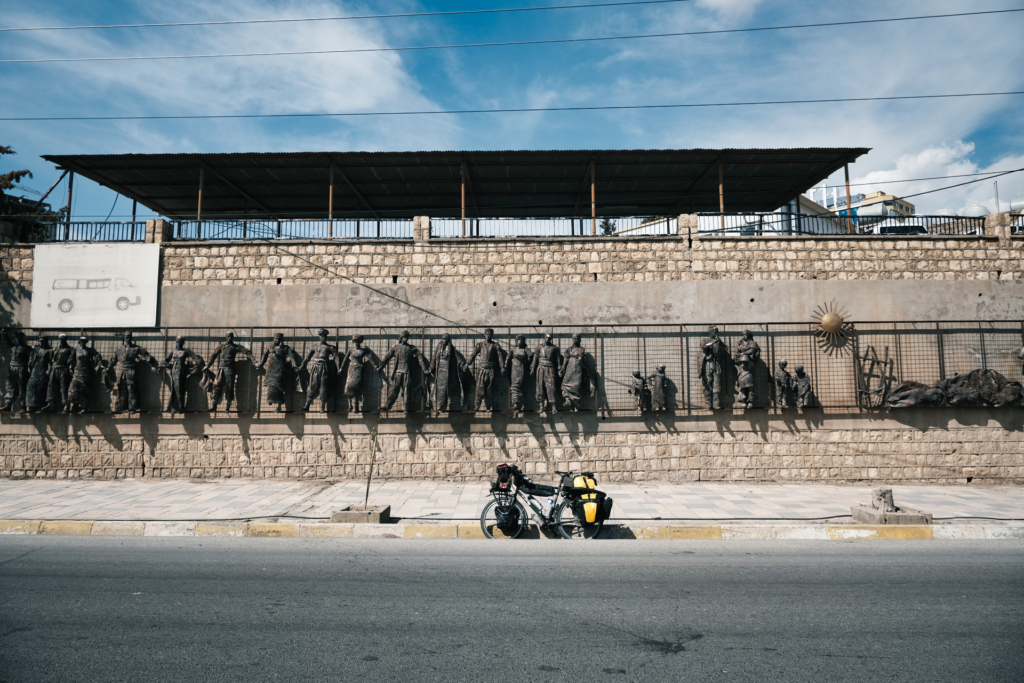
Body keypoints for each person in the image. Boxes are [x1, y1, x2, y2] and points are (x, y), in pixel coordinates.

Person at [377, 330, 430, 413]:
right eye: (404, 337)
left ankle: (406, 408)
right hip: (398, 373)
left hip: (407, 373)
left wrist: (424, 369)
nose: (406, 339)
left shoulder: (411, 348)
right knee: (393, 390)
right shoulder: (396, 347)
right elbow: (387, 357)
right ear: (401, 338)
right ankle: (387, 406)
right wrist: (381, 367)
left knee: (406, 392)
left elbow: (420, 358)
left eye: (407, 337)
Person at [207, 331, 255, 412]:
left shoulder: (235, 347)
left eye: (230, 336)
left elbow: (247, 352)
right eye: (228, 336)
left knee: (230, 387)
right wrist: (207, 365)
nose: (229, 337)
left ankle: (227, 407)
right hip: (221, 369)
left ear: (233, 337)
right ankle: (214, 406)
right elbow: (213, 355)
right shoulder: (221, 346)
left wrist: (254, 362)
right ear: (226, 337)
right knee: (216, 386)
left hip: (230, 369)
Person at [112, 331, 158, 414]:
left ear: (131, 338)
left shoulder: (136, 348)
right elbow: (113, 361)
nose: (127, 338)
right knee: (121, 390)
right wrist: (108, 367)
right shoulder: (119, 349)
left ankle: (132, 408)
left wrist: (150, 362)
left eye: (129, 336)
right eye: (126, 336)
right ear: (124, 338)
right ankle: (120, 407)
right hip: (121, 372)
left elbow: (146, 355)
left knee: (131, 390)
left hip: (131, 371)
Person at [463, 328, 508, 412]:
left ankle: (488, 407)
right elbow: (473, 355)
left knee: (489, 389)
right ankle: (477, 406)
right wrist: (467, 364)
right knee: (479, 389)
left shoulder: (496, 345)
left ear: (492, 335)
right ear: (484, 335)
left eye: (490, 334)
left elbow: (500, 357)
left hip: (491, 370)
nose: (488, 336)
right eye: (487, 334)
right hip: (481, 370)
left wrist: (502, 367)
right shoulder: (479, 345)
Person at [258, 333, 302, 412]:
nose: (277, 340)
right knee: (270, 387)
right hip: (271, 371)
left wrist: (294, 364)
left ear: (282, 340)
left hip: (280, 371)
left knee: (280, 388)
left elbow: (292, 357)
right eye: (276, 338)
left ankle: (279, 406)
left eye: (279, 339)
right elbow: (264, 357)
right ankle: (270, 399)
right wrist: (260, 364)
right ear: (274, 338)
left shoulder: (285, 348)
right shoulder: (270, 347)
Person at [161, 336, 205, 414]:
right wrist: (170, 366)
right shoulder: (173, 352)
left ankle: (181, 407)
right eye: (177, 341)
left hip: (182, 372)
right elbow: (165, 361)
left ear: (183, 342)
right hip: (174, 372)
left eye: (180, 341)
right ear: (176, 342)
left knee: (180, 389)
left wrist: (195, 365)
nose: (179, 343)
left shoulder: (186, 351)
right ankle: (174, 407)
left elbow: (196, 359)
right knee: (175, 389)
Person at [301, 329, 341, 412]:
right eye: (322, 336)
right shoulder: (314, 346)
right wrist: (301, 366)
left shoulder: (330, 347)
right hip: (315, 368)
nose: (323, 338)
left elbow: (336, 357)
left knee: (324, 387)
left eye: (325, 336)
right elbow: (307, 358)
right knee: (312, 386)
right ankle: (307, 406)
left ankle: (322, 407)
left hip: (324, 368)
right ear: (319, 337)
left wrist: (338, 368)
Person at [67, 337, 103, 414]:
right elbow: (71, 360)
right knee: (72, 389)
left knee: (84, 390)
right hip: (76, 372)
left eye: (84, 341)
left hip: (86, 372)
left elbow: (98, 356)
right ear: (79, 342)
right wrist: (70, 368)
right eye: (81, 341)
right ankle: (75, 405)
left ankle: (84, 407)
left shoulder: (89, 350)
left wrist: (97, 363)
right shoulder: (75, 350)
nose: (83, 342)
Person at [340, 335, 374, 413]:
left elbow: (370, 358)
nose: (356, 343)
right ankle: (350, 406)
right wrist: (341, 368)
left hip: (359, 369)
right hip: (351, 369)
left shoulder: (363, 350)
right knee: (348, 386)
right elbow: (345, 359)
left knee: (357, 387)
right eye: (355, 341)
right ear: (353, 342)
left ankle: (356, 406)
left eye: (358, 341)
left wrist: (375, 366)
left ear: (360, 342)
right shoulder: (350, 350)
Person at [429, 333, 462, 412]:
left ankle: (443, 406)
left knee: (445, 390)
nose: (443, 340)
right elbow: (434, 358)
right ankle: (439, 406)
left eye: (445, 339)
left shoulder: (451, 348)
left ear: (448, 340)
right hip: (439, 370)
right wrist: (431, 368)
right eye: (442, 338)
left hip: (447, 372)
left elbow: (458, 358)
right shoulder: (438, 347)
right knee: (439, 390)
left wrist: (462, 365)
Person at [559, 333, 591, 411]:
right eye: (573, 338)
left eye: (576, 338)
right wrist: (562, 369)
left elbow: (581, 358)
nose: (574, 340)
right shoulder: (569, 349)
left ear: (579, 340)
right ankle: (567, 400)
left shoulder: (581, 349)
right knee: (565, 384)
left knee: (576, 387)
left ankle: (576, 404)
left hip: (577, 369)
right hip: (569, 369)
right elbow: (565, 360)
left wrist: (580, 360)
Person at [0, 330, 30, 413]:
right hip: (12, 368)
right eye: (15, 338)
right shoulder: (13, 347)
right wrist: (3, 333)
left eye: (18, 337)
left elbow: (31, 360)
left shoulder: (26, 348)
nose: (16, 339)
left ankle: (23, 406)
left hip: (21, 368)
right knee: (10, 386)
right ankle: (8, 405)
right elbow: (7, 341)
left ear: (21, 338)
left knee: (22, 388)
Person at [531, 334, 561, 413]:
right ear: (544, 338)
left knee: (551, 386)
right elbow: (535, 358)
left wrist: (559, 369)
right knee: (540, 387)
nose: (548, 339)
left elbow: (558, 360)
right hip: (540, 368)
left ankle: (553, 406)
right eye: (546, 337)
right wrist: (532, 368)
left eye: (549, 338)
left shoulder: (554, 348)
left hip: (550, 368)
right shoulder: (539, 347)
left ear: (551, 339)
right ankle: (541, 405)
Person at [45, 334, 74, 412]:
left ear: (66, 339)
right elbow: (51, 361)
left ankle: (65, 405)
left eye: (63, 339)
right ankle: (50, 404)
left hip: (63, 369)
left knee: (64, 388)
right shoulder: (55, 349)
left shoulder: (70, 349)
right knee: (51, 387)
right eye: (60, 339)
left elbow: (71, 361)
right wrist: (49, 370)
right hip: (54, 370)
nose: (61, 340)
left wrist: (70, 369)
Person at [698, 326, 725, 410]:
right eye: (714, 331)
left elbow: (724, 349)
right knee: (707, 383)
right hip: (707, 363)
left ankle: (716, 404)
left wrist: (720, 343)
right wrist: (713, 342)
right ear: (710, 332)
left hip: (716, 363)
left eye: (717, 331)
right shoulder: (705, 340)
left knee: (716, 384)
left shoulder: (718, 341)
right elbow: (704, 346)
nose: (716, 333)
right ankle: (708, 404)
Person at [505, 335, 533, 414]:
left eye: (522, 340)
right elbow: (507, 359)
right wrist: (505, 367)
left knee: (521, 386)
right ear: (516, 341)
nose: (520, 341)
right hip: (514, 370)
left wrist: (526, 348)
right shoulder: (513, 349)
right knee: (514, 386)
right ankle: (515, 403)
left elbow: (530, 357)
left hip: (522, 369)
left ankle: (520, 404)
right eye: (519, 340)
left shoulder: (525, 349)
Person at [25, 335, 52, 413]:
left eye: (43, 341)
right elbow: (31, 359)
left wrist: (48, 370)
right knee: (31, 386)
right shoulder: (36, 350)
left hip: (43, 370)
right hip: (35, 370)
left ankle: (40, 406)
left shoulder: (49, 350)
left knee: (41, 387)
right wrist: (29, 367)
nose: (41, 342)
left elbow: (50, 362)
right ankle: (31, 406)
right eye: (40, 341)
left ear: (46, 341)